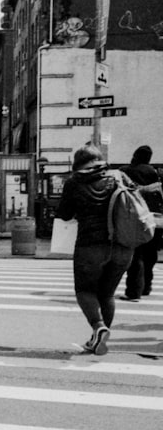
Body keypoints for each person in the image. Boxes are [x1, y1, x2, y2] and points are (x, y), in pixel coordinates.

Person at [55, 145, 135, 356]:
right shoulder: (119, 176)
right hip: (122, 245)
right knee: (107, 294)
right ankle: (98, 339)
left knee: (85, 290)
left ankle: (98, 327)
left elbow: (63, 214)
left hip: (90, 246)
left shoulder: (74, 183)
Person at [119, 145, 162, 300]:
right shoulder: (153, 173)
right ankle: (146, 287)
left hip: (135, 217)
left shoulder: (126, 171)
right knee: (150, 255)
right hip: (154, 219)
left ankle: (134, 291)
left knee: (136, 255)